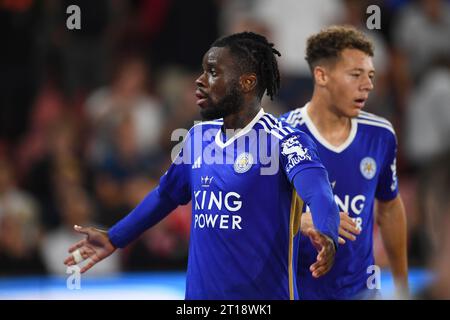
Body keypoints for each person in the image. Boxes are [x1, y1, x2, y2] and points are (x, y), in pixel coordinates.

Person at [64, 32, 340, 300]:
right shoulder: (198, 138)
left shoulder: (286, 140)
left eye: (213, 72)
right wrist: (115, 237)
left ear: (247, 82)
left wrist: (325, 231)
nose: (200, 81)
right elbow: (166, 195)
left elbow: (318, 190)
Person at [281, 25, 408, 299]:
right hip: (296, 291)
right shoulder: (280, 135)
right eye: (356, 75)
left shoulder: (380, 134)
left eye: (371, 75)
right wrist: (304, 221)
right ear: (321, 75)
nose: (368, 85)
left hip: (360, 291)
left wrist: (402, 286)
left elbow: (389, 208)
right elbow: (251, 214)